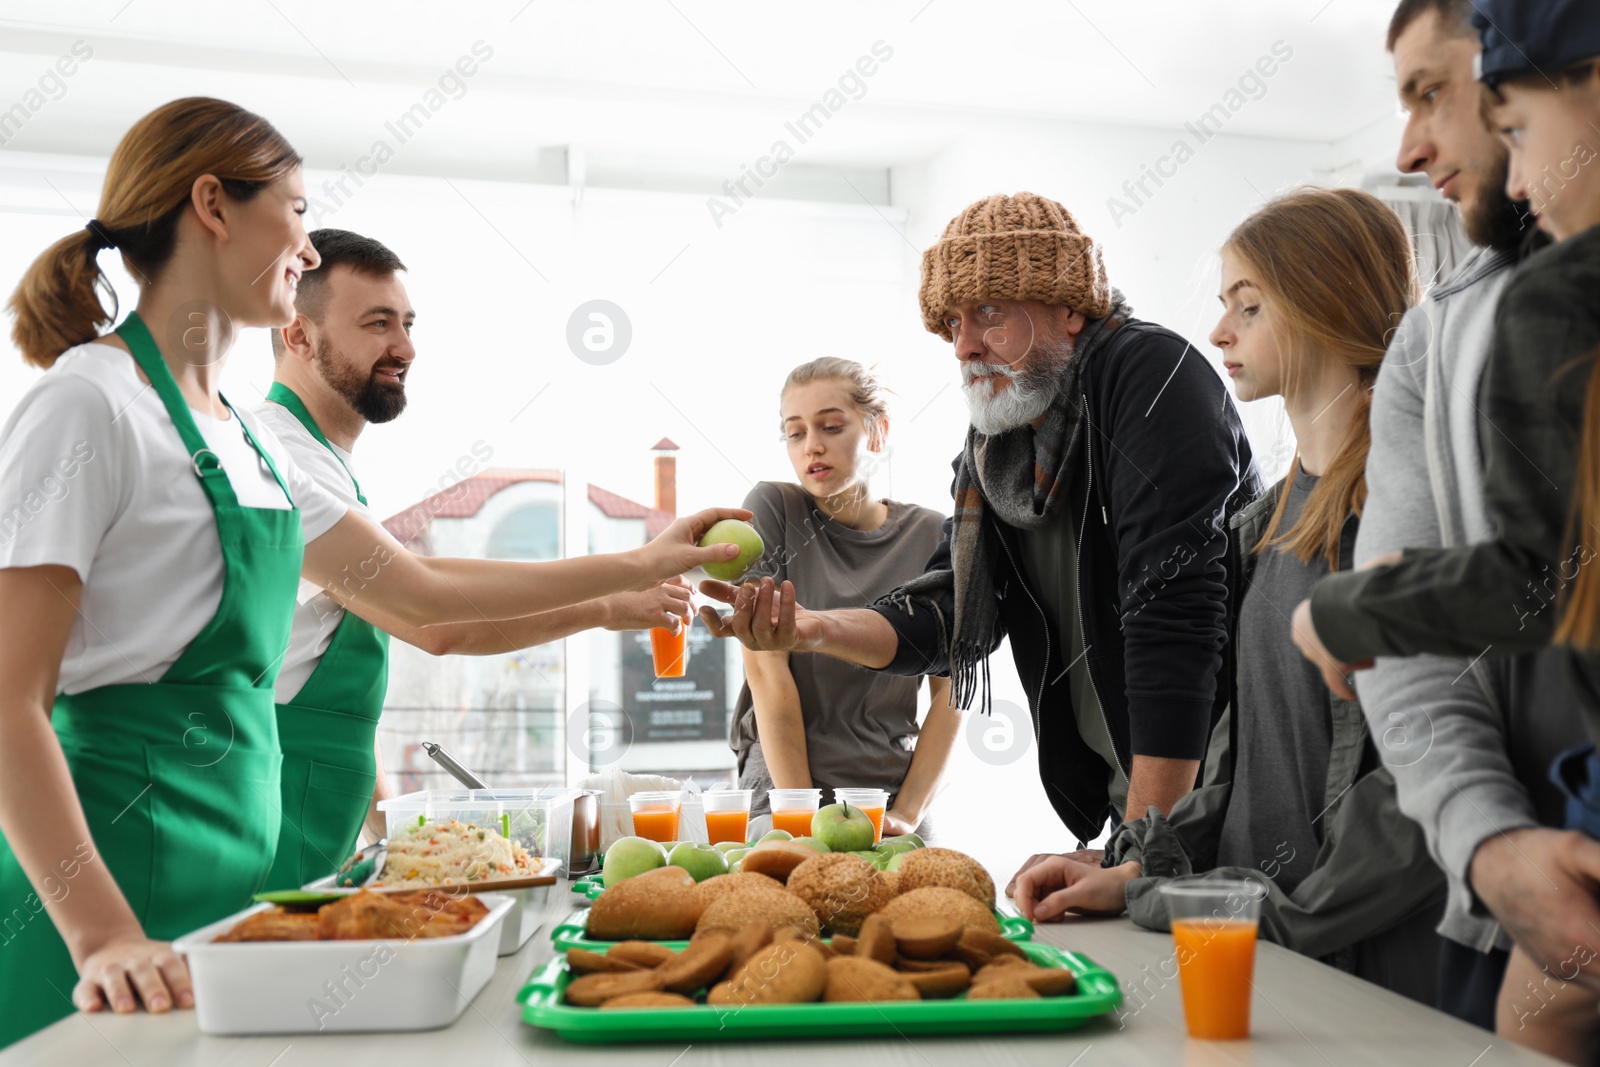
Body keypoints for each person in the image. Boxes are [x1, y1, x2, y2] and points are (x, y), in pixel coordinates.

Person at [0, 97, 744, 1048]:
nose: (306, 246)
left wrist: (641, 566)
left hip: (234, 886)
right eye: (299, 210)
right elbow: (11, 698)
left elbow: (419, 595)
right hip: (106, 889)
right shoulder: (87, 406)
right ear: (213, 206)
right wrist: (101, 934)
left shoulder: (239, 438)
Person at [703, 192, 1259, 880]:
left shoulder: (1149, 376)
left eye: (991, 312)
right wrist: (814, 629)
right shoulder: (998, 439)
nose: (965, 343)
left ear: (1070, 306)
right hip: (1144, 805)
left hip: (1229, 794)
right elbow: (950, 610)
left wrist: (1145, 852)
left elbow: (1176, 613)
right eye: (954, 322)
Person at [1009, 187, 1445, 1004]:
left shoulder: (1410, 513)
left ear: (1327, 303)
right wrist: (1130, 861)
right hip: (1261, 956)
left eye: (1249, 306)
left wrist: (1170, 899)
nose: (1218, 333)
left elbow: (1410, 812)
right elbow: (1237, 768)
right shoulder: (1265, 520)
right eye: (1224, 305)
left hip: (1368, 980)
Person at [1289, 0, 1600, 1053]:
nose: (1409, 146)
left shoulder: (1557, 300)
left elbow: (1525, 577)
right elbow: (1427, 648)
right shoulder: (1436, 340)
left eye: (1439, 93)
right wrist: (1492, 847)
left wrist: (1343, 608)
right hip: (1516, 894)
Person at [256, 228, 693, 890]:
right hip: (272, 813)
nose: (404, 347)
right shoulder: (275, 453)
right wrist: (634, 568)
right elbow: (434, 607)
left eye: (406, 323)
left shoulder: (327, 466)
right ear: (298, 335)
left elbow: (429, 625)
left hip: (317, 824)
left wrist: (381, 833)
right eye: (377, 324)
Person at [730, 358, 955, 834]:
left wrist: (907, 814)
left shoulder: (935, 535)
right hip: (783, 786)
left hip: (893, 789)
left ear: (877, 432)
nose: (812, 445)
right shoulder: (772, 509)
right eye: (795, 433)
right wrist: (800, 818)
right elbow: (768, 677)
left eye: (831, 426)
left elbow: (955, 693)